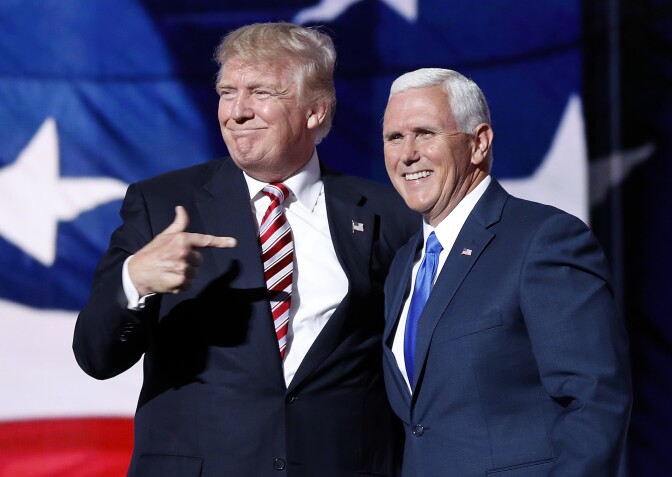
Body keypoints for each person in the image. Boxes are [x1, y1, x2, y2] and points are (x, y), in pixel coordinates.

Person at [73, 22, 418, 477]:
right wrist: (134, 280)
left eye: (260, 92)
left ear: (315, 111)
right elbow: (96, 357)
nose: (236, 112)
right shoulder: (162, 204)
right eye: (226, 92)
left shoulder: (389, 214)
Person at [380, 68, 632, 477]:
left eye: (425, 133)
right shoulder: (403, 264)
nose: (407, 153)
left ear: (478, 143)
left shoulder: (544, 239)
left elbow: (594, 399)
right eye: (394, 137)